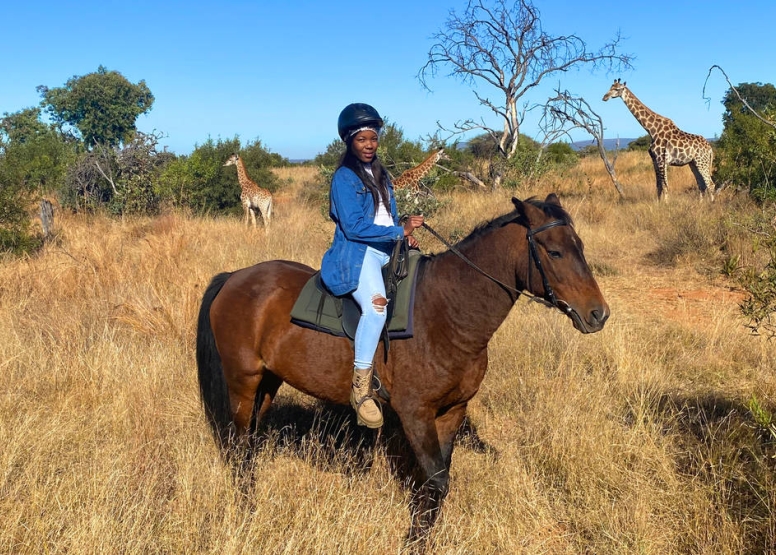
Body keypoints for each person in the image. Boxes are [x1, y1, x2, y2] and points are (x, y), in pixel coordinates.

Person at [320, 103, 424, 428]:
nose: (369, 145)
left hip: (386, 248)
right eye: (362, 139)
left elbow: (386, 217)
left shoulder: (381, 173)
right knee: (377, 307)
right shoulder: (343, 178)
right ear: (349, 141)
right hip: (358, 252)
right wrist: (398, 231)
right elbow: (353, 227)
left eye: (373, 139)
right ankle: (361, 388)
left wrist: (403, 237)